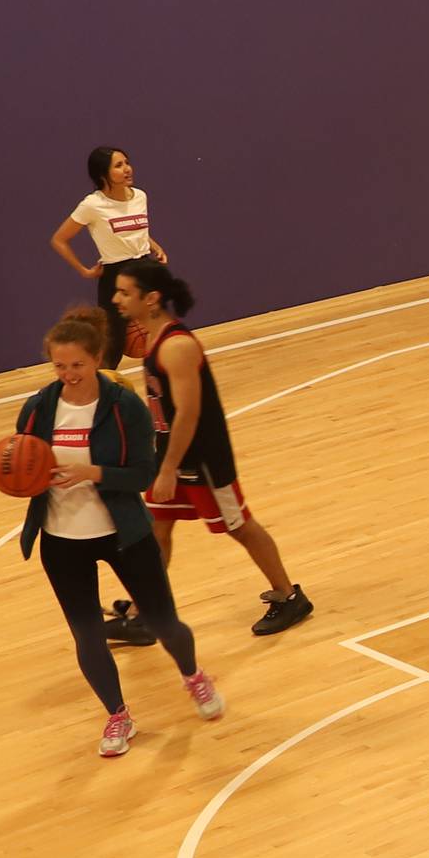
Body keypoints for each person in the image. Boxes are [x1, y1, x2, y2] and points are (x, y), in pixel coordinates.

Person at [12, 307, 219, 759]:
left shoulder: (124, 406)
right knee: (87, 635)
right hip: (62, 538)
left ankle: (192, 675)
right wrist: (18, 479)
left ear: (97, 359)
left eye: (77, 365)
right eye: (60, 366)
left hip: (123, 532)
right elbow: (23, 463)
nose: (68, 375)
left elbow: (144, 475)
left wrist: (92, 472)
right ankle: (118, 714)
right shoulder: (39, 407)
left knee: (164, 622)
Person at [111, 258, 315, 637]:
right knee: (156, 528)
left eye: (124, 291)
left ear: (151, 298)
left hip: (201, 457)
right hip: (169, 451)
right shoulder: (150, 340)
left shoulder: (177, 347)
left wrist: (170, 467)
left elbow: (189, 414)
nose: (116, 298)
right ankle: (147, 613)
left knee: (239, 526)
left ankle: (289, 597)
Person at [50, 145, 166, 364]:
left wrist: (153, 246)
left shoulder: (140, 196)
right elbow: (59, 239)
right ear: (102, 174)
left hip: (146, 271)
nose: (127, 169)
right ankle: (103, 394)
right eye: (119, 165)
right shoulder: (93, 205)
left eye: (127, 163)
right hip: (116, 277)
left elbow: (137, 230)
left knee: (157, 338)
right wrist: (84, 271)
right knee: (111, 350)